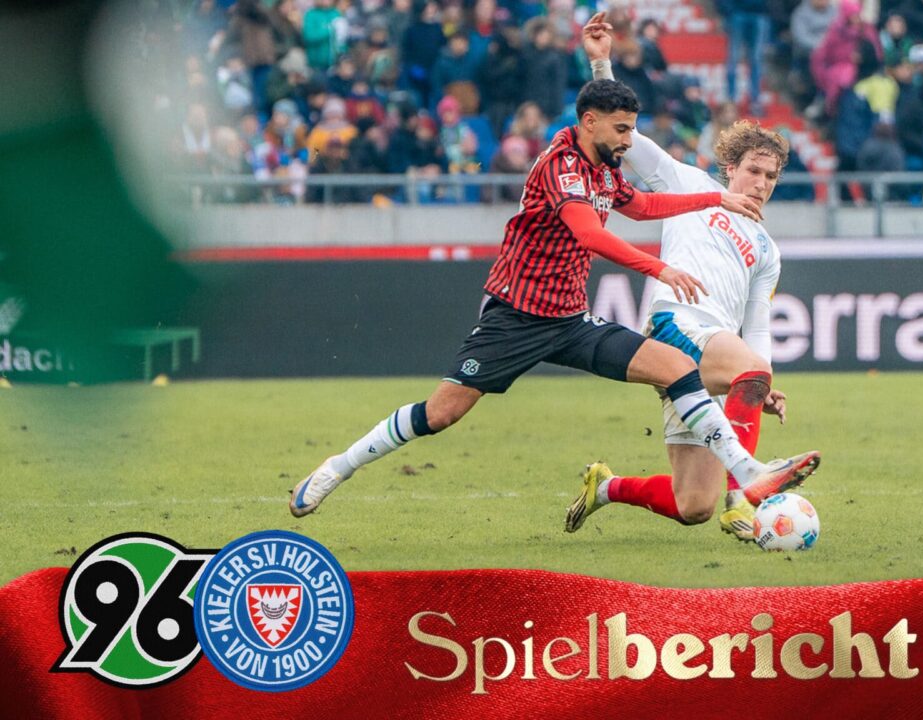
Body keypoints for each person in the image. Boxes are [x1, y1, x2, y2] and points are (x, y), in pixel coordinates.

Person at [290, 64, 820, 520]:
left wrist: (712, 200)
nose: (627, 140)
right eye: (621, 130)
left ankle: (746, 471)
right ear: (590, 123)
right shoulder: (560, 165)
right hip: (516, 317)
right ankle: (338, 466)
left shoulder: (605, 170)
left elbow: (643, 207)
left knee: (678, 368)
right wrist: (661, 268)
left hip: (569, 320)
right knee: (440, 413)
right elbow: (590, 235)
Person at [579, 16, 812, 540]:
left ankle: (606, 487)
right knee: (747, 384)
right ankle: (745, 492)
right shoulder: (687, 182)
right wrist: (601, 63)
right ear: (730, 167)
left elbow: (757, 325)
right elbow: (628, 139)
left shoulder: (767, 250)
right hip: (676, 325)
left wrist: (762, 380)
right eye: (753, 170)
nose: (761, 182)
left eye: (771, 176)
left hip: (716, 352)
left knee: (693, 506)